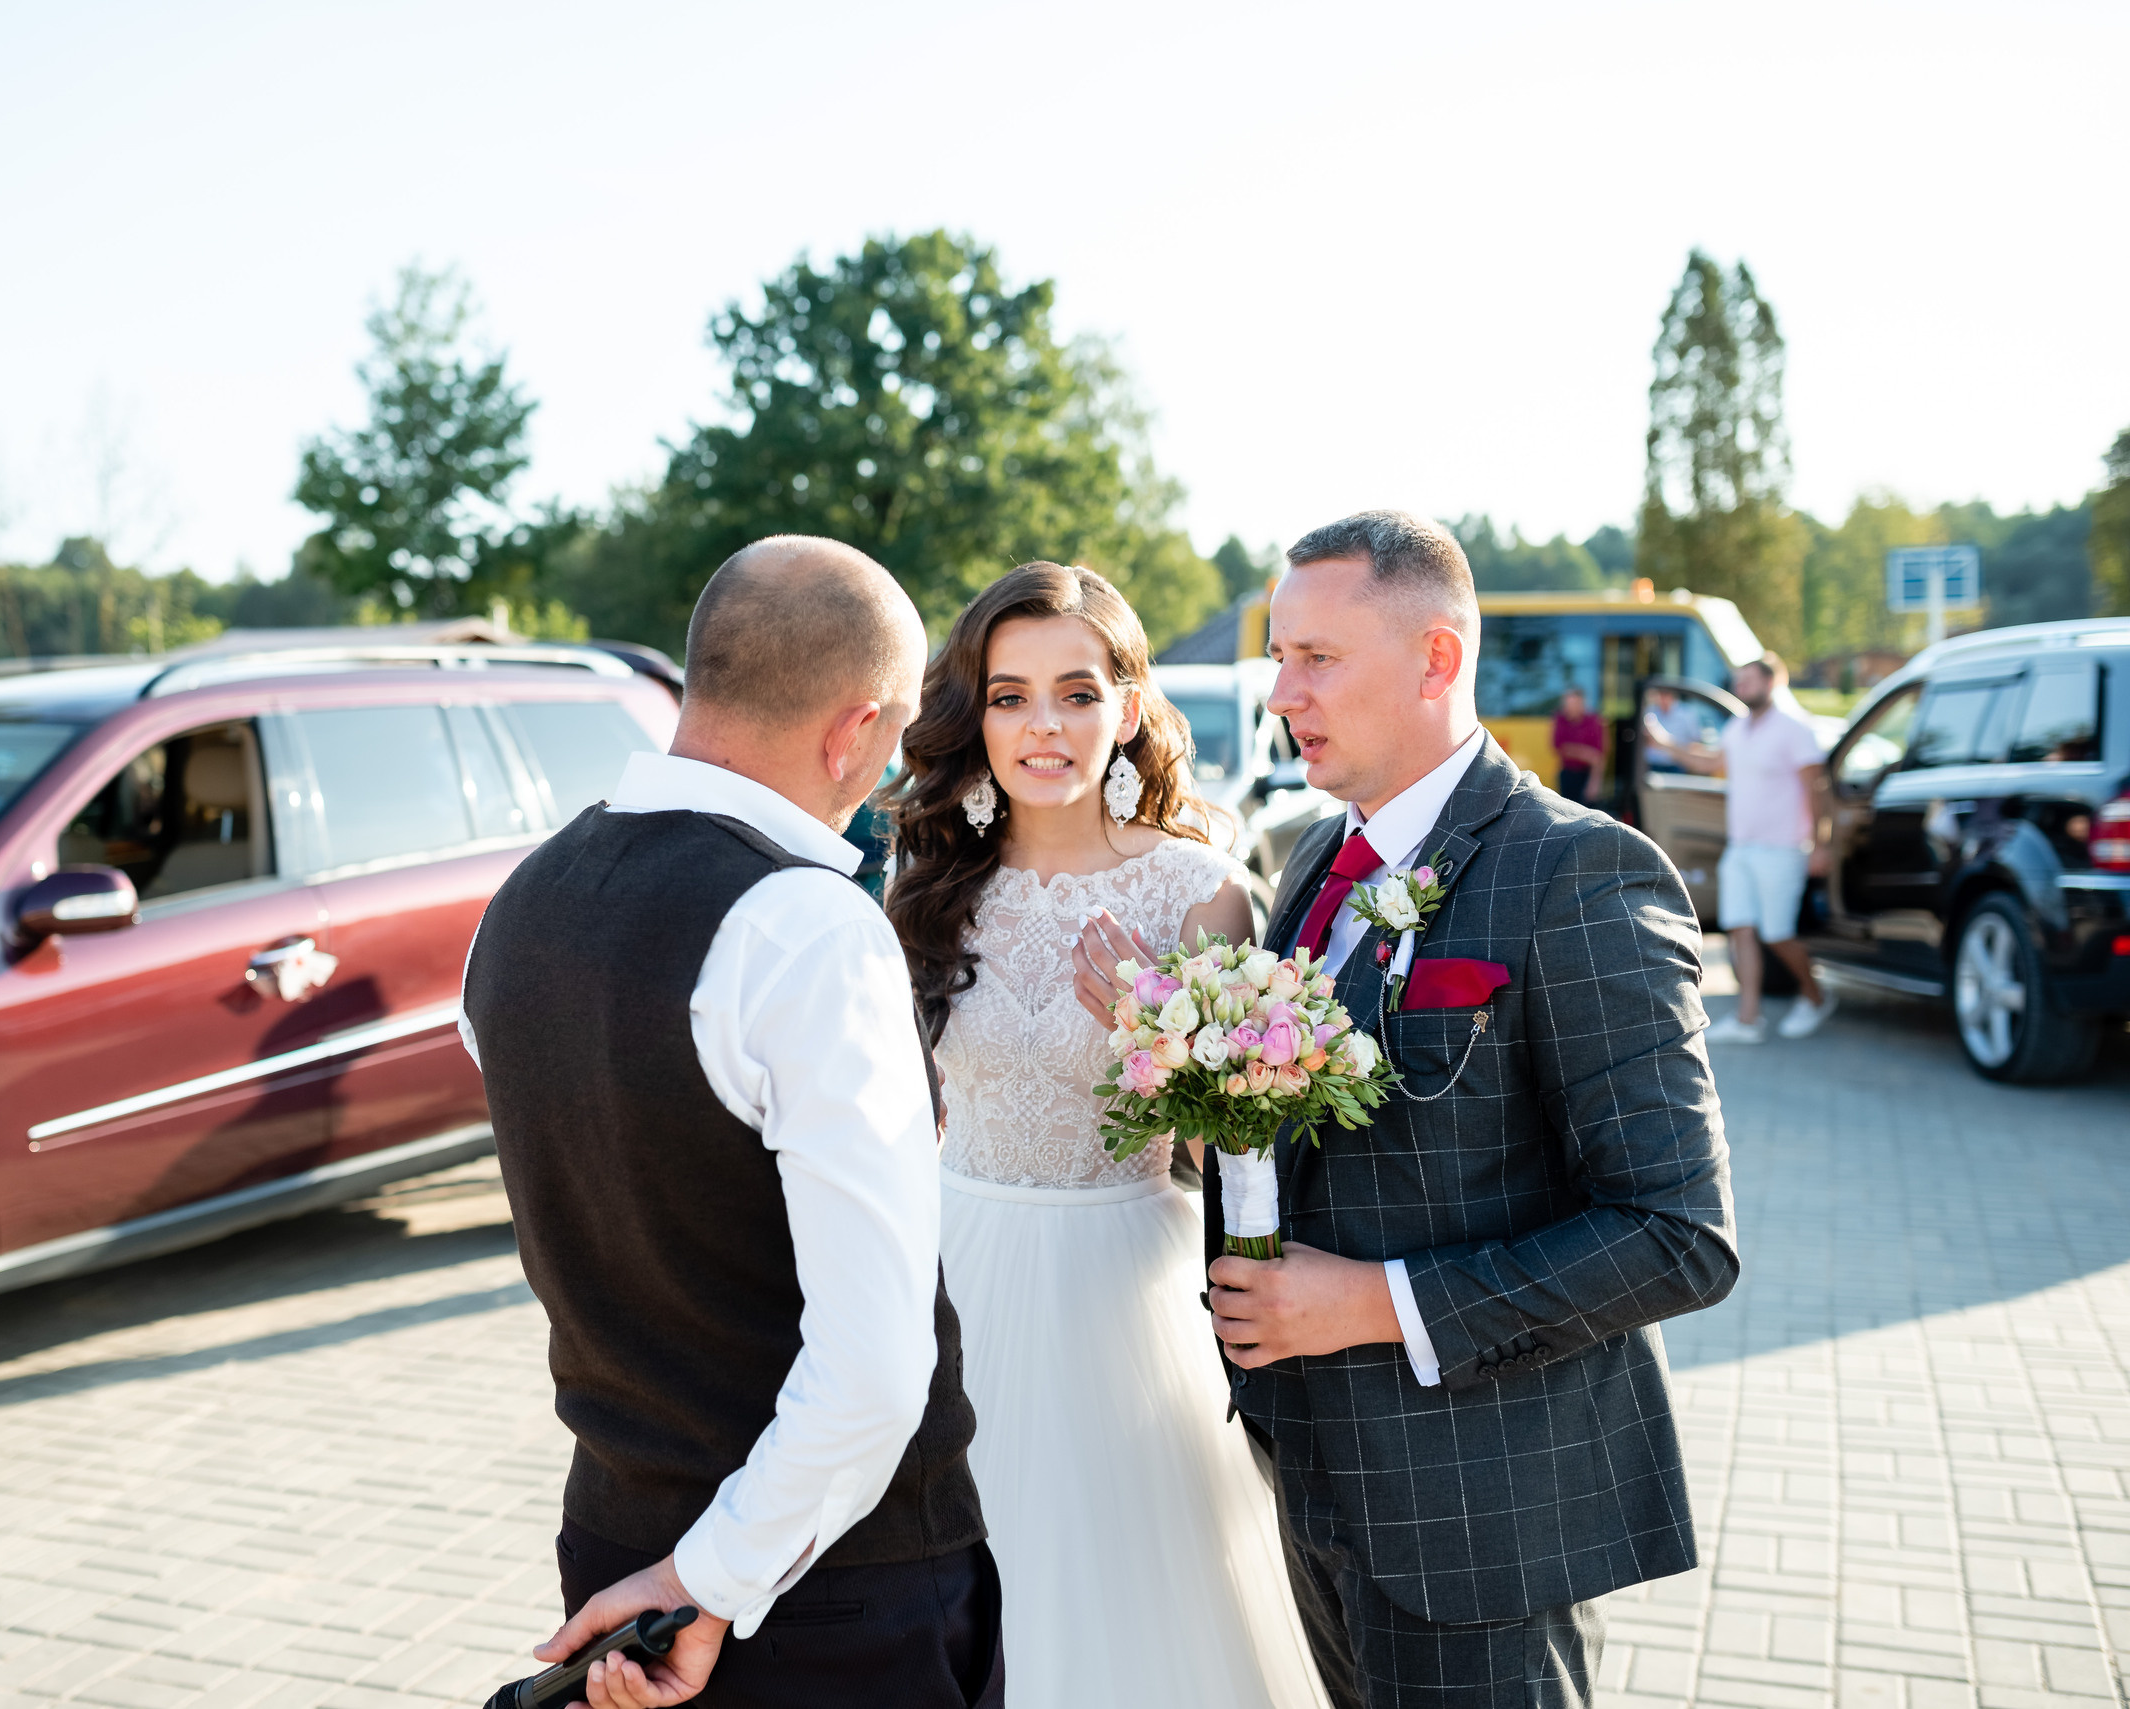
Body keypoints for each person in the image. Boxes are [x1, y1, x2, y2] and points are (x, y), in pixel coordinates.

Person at [1077, 511, 1738, 1709]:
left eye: (1315, 658)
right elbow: (1279, 1138)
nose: (1282, 692)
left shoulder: (1579, 872)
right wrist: (1167, 1059)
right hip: (1305, 1462)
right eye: (1281, 658)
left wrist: (1372, 1303)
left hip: (1473, 1512)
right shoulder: (1316, 866)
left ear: (1436, 658)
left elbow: (1677, 1234)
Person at [461, 536, 1000, 1709]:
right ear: (854, 729)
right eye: (901, 729)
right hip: (816, 1593)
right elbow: (870, 1364)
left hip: (611, 1549)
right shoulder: (806, 924)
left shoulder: (517, 904)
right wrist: (708, 1579)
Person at [886, 562, 1324, 1709]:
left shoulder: (1200, 891)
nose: (1044, 726)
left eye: (1077, 692)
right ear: (972, 715)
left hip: (1124, 1277)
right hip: (955, 1263)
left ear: (1127, 708)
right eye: (1009, 694)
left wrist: (1158, 1034)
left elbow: (1244, 1148)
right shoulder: (926, 884)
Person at [1665, 653, 1836, 1044]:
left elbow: (1817, 789)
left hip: (1783, 848)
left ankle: (1817, 997)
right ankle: (1748, 1019)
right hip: (1740, 848)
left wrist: (1821, 845)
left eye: (1748, 680)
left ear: (1772, 682)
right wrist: (1664, 743)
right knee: (1740, 929)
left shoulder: (1795, 728)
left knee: (1776, 934)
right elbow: (1710, 764)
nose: (1740, 687)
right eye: (1738, 680)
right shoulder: (1738, 729)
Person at [1550, 685, 1604, 806]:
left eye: (1572, 704)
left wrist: (1594, 782)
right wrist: (1587, 754)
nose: (1568, 707)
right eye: (1567, 704)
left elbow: (1598, 755)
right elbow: (1559, 747)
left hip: (1587, 774)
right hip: (1567, 774)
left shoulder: (1593, 720)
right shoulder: (1560, 719)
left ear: (1581, 703)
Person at [1640, 685, 1701, 775]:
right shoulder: (1650, 712)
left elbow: (1695, 742)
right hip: (1651, 765)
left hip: (1676, 766)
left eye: (1665, 695)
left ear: (1672, 696)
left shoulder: (1687, 714)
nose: (1661, 699)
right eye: (1660, 694)